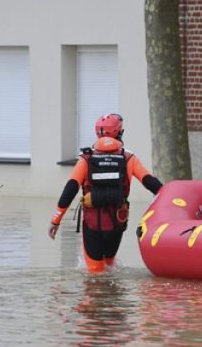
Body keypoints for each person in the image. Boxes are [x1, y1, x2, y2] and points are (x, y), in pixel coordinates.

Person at [48, 113, 163, 273]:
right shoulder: (129, 158)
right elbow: (151, 183)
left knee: (95, 274)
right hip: (116, 224)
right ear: (119, 133)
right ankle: (112, 299)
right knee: (110, 269)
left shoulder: (86, 159)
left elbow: (70, 189)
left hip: (92, 224)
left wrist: (56, 220)